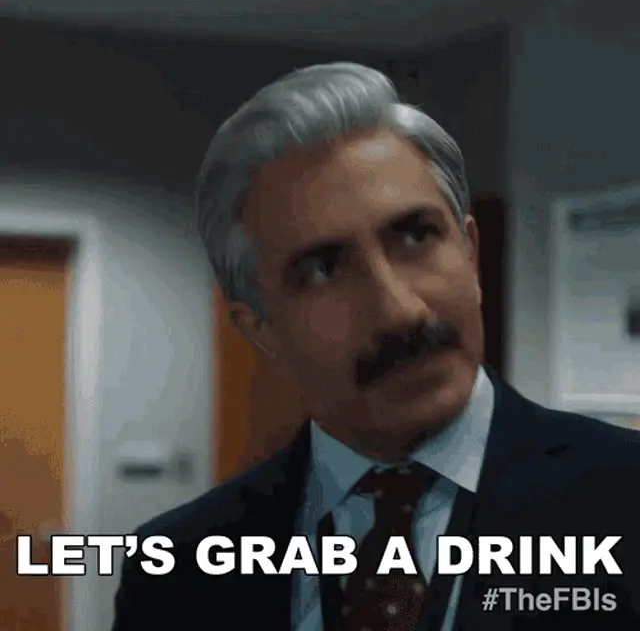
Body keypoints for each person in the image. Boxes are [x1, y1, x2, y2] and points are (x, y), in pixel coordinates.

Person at [112, 62, 640, 630]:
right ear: (262, 329)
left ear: (469, 253)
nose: (398, 311)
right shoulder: (175, 570)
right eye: (323, 269)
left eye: (415, 236)